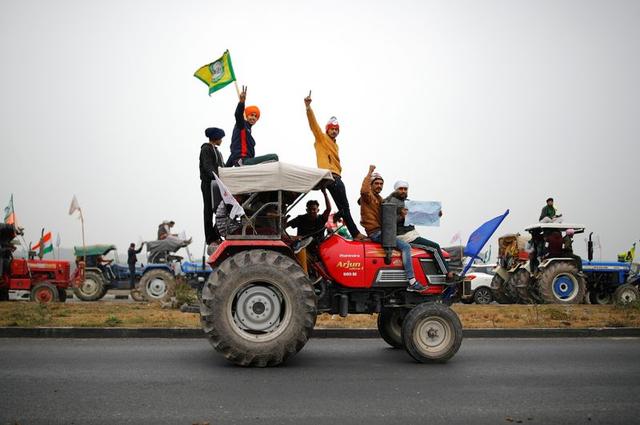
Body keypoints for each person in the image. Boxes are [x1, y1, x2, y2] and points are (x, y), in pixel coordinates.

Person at [304, 93, 365, 240]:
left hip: (335, 176)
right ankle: (355, 233)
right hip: (332, 177)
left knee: (343, 208)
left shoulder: (335, 145)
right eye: (332, 129)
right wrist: (308, 107)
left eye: (336, 129)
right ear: (327, 130)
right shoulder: (322, 139)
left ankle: (341, 221)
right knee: (346, 208)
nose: (334, 131)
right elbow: (314, 126)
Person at [359, 165, 423, 292]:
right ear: (371, 185)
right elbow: (364, 191)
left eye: (381, 184)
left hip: (382, 232)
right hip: (376, 232)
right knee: (406, 247)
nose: (379, 185)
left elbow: (389, 208)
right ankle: (412, 280)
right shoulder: (368, 197)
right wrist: (370, 171)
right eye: (376, 183)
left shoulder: (379, 199)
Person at [384, 180, 457, 281]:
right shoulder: (391, 203)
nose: (403, 191)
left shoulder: (408, 203)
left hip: (411, 234)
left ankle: (438, 274)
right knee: (435, 247)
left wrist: (435, 214)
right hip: (404, 236)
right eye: (401, 189)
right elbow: (388, 221)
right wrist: (402, 216)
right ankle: (448, 274)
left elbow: (419, 215)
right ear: (395, 190)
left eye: (405, 189)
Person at [226, 86, 278, 167]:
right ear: (246, 116)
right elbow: (238, 115)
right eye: (251, 115)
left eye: (256, 116)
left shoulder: (248, 132)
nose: (253, 118)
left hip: (247, 161)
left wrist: (226, 167)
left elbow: (233, 151)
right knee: (274, 157)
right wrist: (241, 102)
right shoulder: (241, 125)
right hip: (243, 161)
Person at [286, 189, 331, 273]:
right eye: (310, 209)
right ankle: (305, 276)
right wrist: (293, 237)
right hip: (303, 249)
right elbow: (284, 226)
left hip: (319, 251)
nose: (312, 211)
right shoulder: (300, 219)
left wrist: (325, 193)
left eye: (314, 209)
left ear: (318, 210)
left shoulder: (321, 219)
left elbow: (328, 209)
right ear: (307, 210)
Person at [200, 127, 226, 251]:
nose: (222, 141)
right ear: (216, 138)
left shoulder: (217, 152)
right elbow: (207, 166)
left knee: (221, 209)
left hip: (217, 183)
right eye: (221, 138)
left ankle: (216, 234)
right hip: (208, 183)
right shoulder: (206, 149)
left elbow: (222, 167)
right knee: (209, 210)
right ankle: (210, 238)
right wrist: (216, 176)